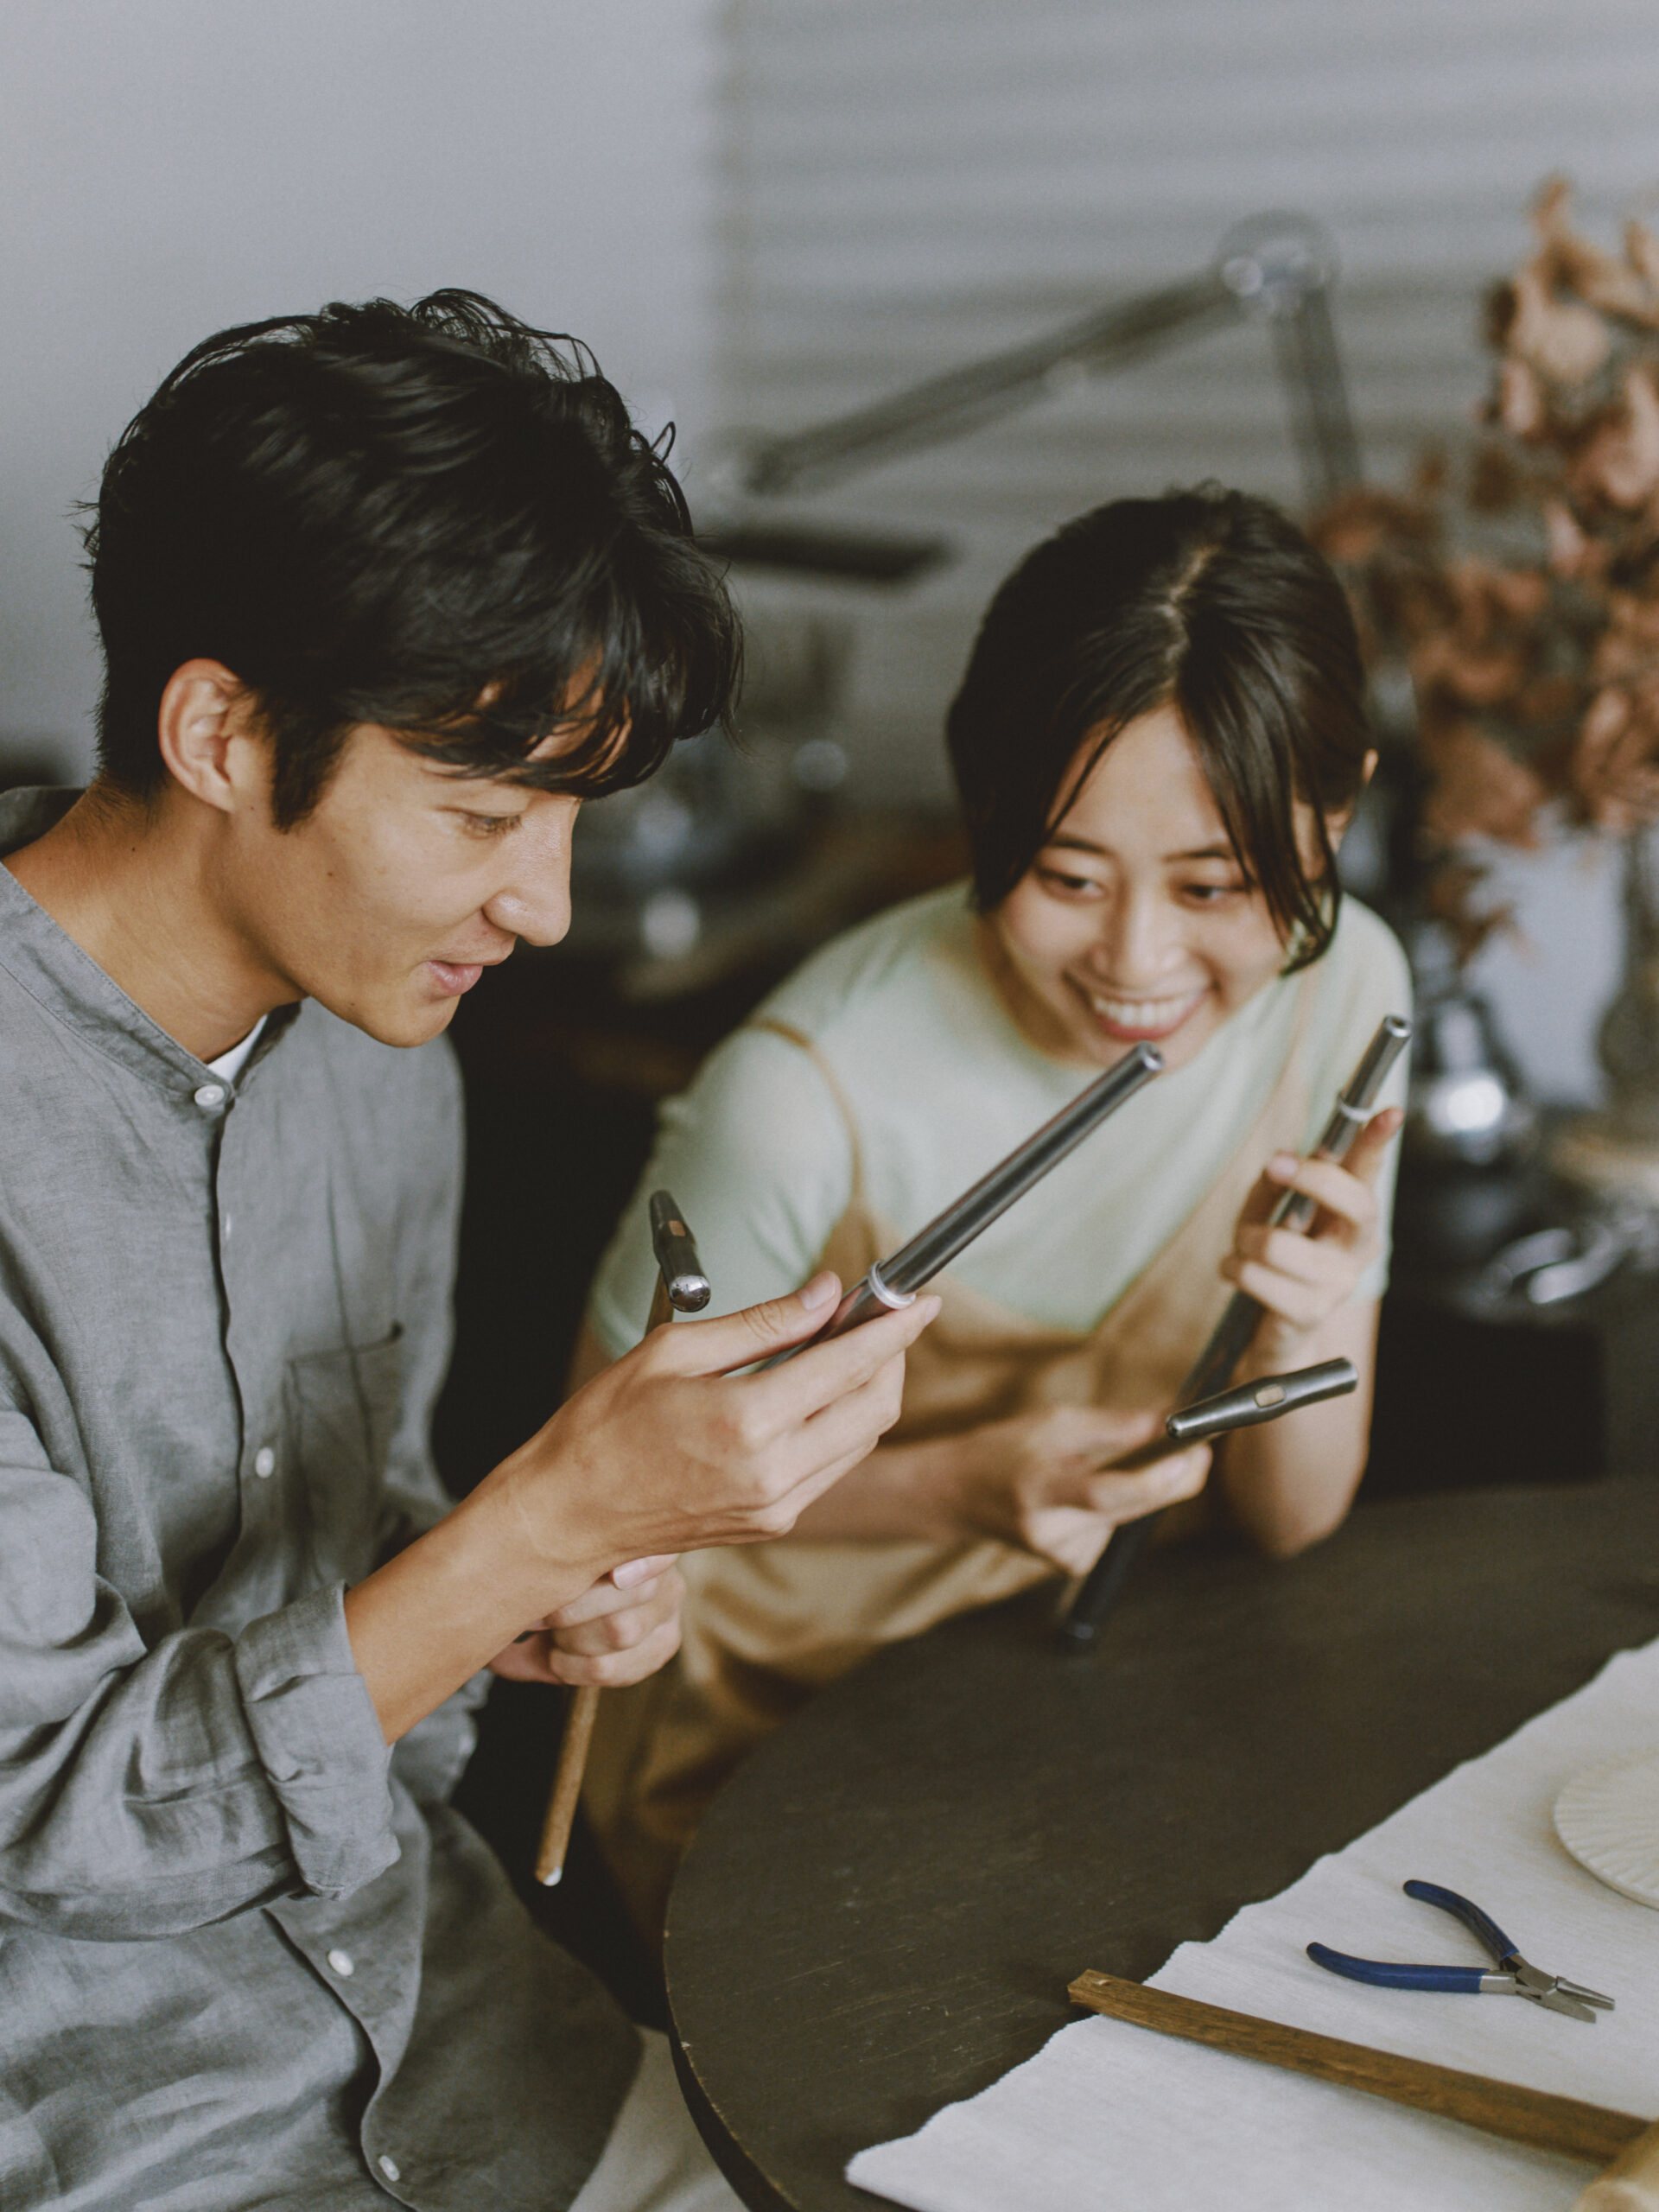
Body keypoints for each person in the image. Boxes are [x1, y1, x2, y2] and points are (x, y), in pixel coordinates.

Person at [0, 293, 937, 2212]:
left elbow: (378, 1580)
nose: (545, 905)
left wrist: (525, 1593)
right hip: (125, 2137)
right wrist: (531, 1527)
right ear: (219, 732)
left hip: (482, 2050)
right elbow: (52, 1822)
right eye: (485, 813)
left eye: (567, 819)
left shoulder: (384, 1052)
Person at [575, 487, 1413, 1939]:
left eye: (1217, 885)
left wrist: (1303, 1324)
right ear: (985, 807)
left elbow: (1291, 1520)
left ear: (1336, 815)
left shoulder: (1344, 992)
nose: (1137, 960)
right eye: (1067, 874)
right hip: (774, 1740)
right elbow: (591, 1511)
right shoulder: (801, 1093)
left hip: (1106, 1693)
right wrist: (961, 1488)